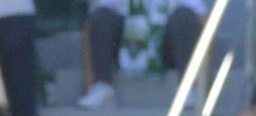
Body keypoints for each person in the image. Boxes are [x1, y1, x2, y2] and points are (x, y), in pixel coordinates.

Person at [77, 0, 205, 109]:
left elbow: (206, 25)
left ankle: (189, 88)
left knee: (185, 16)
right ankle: (102, 88)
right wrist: (89, 85)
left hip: (168, 49)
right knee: (101, 15)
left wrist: (204, 87)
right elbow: (90, 28)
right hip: (126, 48)